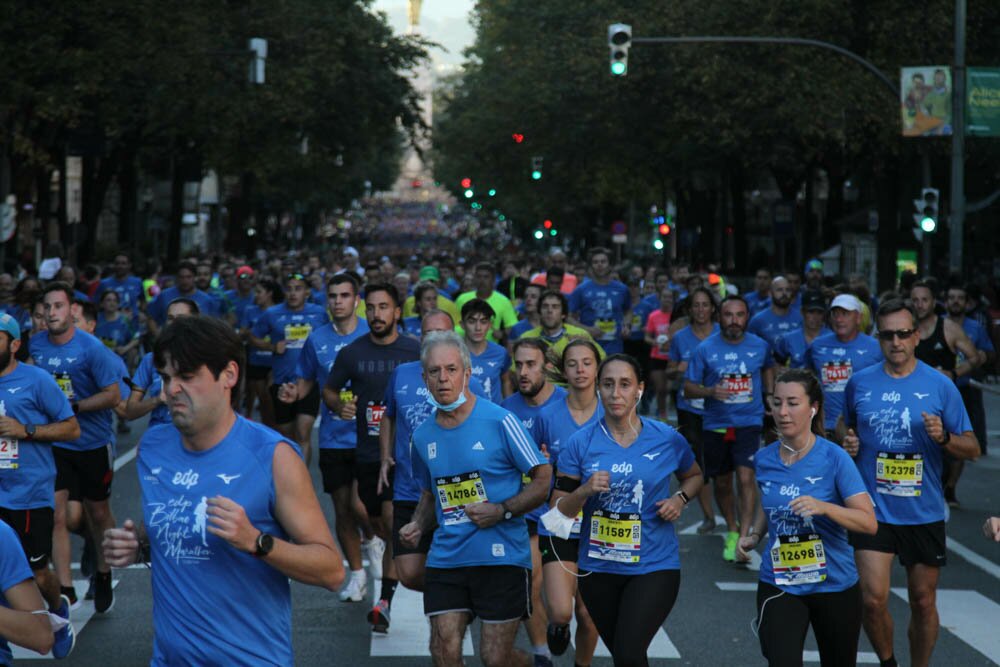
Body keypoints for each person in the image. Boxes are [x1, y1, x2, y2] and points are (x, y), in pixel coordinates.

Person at [102, 315, 344, 665]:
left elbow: (332, 571)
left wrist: (256, 542)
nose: (171, 390)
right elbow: (178, 527)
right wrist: (138, 546)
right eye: (166, 378)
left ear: (228, 375)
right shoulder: (152, 447)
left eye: (187, 377)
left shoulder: (273, 456)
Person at [838, 299, 979, 667]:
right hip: (873, 510)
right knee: (872, 599)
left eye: (903, 333)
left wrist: (945, 438)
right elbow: (844, 426)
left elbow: (973, 447)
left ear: (916, 336)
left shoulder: (940, 385)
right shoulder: (859, 382)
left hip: (923, 510)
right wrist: (848, 440)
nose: (895, 342)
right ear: (878, 338)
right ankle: (888, 662)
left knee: (922, 599)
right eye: (887, 335)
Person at [401, 331, 552, 667]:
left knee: (495, 659)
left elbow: (543, 478)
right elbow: (430, 493)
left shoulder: (500, 421)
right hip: (447, 556)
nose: (443, 378)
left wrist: (502, 510)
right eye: (435, 371)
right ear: (424, 377)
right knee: (443, 649)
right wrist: (417, 523)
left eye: (451, 369)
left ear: (467, 373)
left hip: (501, 557)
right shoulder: (423, 436)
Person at [545, 354, 703, 667]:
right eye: (608, 384)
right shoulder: (580, 443)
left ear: (639, 390)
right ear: (598, 390)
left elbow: (695, 475)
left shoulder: (667, 438)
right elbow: (556, 513)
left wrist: (679, 500)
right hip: (598, 569)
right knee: (624, 655)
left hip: (654, 566)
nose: (616, 393)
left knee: (629, 652)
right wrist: (584, 491)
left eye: (625, 384)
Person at [736, 368, 876, 667]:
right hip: (781, 581)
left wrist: (825, 507)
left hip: (834, 584)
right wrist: (755, 534)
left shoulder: (834, 458)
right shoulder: (764, 458)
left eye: (793, 403)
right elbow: (769, 501)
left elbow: (868, 522)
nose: (783, 412)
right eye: (777, 403)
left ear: (813, 408)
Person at [324, 284, 420, 633]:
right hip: (366, 452)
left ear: (397, 312)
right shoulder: (352, 353)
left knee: (394, 520)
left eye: (384, 307)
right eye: (372, 308)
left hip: (405, 455)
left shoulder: (415, 350)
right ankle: (391, 557)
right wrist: (338, 404)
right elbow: (330, 389)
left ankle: (385, 601)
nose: (377, 314)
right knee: (373, 519)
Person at [276, 274, 372, 604]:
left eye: (344, 295)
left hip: (369, 437)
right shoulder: (317, 339)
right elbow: (305, 384)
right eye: (332, 296)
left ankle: (373, 537)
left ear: (356, 299)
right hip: (333, 437)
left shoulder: (370, 333)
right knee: (342, 510)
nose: (337, 301)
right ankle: (358, 575)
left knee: (362, 505)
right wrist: (291, 392)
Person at [380, 310, 490, 595]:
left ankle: (450, 604)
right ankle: (452, 593)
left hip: (454, 491)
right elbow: (388, 415)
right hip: (409, 488)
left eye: (441, 333)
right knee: (409, 573)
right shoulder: (402, 374)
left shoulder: (469, 382)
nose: (434, 339)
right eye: (428, 333)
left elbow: (487, 430)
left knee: (452, 563)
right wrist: (384, 456)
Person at [30, 283, 121, 613]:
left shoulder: (91, 348)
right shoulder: (35, 346)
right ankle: (66, 587)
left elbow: (113, 395)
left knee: (98, 513)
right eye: (47, 307)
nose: (52, 313)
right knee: (57, 515)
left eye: (58, 306)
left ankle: (103, 572)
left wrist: (76, 407)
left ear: (72, 311)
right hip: (56, 443)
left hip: (92, 442)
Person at [0, 312, 79, 657]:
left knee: (37, 572)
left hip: (27, 495)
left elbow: (71, 428)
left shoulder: (37, 381)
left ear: (14, 345)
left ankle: (57, 609)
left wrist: (25, 430)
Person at [684, 295, 775, 561]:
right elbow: (688, 388)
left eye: (740, 315)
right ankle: (733, 529)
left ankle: (744, 536)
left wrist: (769, 392)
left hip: (749, 422)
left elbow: (769, 365)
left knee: (746, 479)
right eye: (728, 315)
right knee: (722, 484)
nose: (734, 321)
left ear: (747, 317)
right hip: (717, 424)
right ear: (719, 317)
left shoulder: (760, 346)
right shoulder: (705, 349)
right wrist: (710, 391)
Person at [532, 339, 603, 667]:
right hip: (560, 524)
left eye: (587, 363)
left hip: (602, 527)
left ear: (597, 368)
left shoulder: (612, 410)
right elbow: (531, 470)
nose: (580, 370)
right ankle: (558, 626)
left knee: (588, 615)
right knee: (562, 611)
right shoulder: (546, 415)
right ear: (563, 370)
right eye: (572, 364)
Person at [501, 338, 566, 667]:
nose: (523, 372)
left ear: (548, 368)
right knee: (529, 580)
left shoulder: (568, 404)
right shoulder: (506, 410)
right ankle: (541, 653)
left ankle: (561, 620)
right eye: (519, 364)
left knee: (570, 600)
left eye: (531, 365)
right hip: (527, 511)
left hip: (567, 512)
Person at [249, 272, 330, 464]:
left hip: (309, 382)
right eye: (289, 289)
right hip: (282, 382)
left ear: (307, 292)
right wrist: (271, 347)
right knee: (287, 435)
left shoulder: (319, 313)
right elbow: (253, 337)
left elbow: (330, 336)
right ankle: (290, 475)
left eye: (298, 288)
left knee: (303, 433)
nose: (293, 293)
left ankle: (303, 482)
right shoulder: (272, 314)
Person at [667, 286, 720, 533]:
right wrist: (679, 368)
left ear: (712, 309)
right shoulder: (680, 337)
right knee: (698, 463)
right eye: (696, 305)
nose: (700, 310)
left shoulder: (723, 334)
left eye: (705, 305)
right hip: (688, 408)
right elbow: (668, 371)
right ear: (689, 310)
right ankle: (709, 516)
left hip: (719, 407)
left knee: (720, 464)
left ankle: (727, 510)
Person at [942, 284, 993, 505]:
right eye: (951, 297)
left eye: (959, 298)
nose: (955, 301)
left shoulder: (975, 327)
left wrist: (981, 356)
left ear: (967, 303)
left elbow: (989, 353)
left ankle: (951, 487)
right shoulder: (938, 325)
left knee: (963, 437)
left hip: (965, 388)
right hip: (941, 389)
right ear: (945, 301)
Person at [806, 294, 882, 437]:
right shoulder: (817, 345)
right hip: (824, 425)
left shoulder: (876, 348)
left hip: (861, 425)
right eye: (835, 314)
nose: (839, 319)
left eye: (845, 314)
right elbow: (807, 376)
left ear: (858, 318)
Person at [125, 298, 200, 428]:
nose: (174, 323)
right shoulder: (150, 360)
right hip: (160, 437)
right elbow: (130, 412)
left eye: (181, 317)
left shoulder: (207, 357)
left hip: (196, 436)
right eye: (170, 318)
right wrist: (158, 400)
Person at [521, 291, 602, 383]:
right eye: (545, 306)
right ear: (539, 312)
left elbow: (601, 364)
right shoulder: (527, 338)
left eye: (555, 307)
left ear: (563, 314)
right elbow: (515, 373)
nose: (549, 311)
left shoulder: (580, 335)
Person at [569, 248, 631, 355]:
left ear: (610, 265)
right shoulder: (581, 290)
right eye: (595, 262)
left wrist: (626, 325)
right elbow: (567, 317)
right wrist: (587, 329)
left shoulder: (622, 289)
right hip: (589, 348)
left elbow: (628, 311)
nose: (599, 265)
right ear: (591, 267)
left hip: (615, 348)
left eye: (603, 261)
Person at [238, 278, 281, 427]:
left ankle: (276, 430)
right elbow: (243, 333)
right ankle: (267, 431)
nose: (255, 295)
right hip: (256, 361)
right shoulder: (250, 310)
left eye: (259, 292)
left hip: (275, 362)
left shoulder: (280, 311)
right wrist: (250, 335)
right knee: (263, 401)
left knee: (273, 400)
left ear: (269, 294)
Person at [461, 299, 512, 403]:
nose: (478, 328)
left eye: (483, 321)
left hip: (493, 416)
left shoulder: (501, 353)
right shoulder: (452, 353)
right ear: (462, 324)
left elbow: (506, 382)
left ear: (490, 324)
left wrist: (508, 411)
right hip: (462, 416)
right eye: (472, 321)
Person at [455, 262, 519, 344]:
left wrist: (502, 334)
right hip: (464, 347)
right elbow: (455, 324)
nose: (482, 280)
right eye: (479, 277)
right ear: (474, 279)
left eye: (486, 277)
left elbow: (512, 326)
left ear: (493, 280)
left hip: (491, 350)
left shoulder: (503, 301)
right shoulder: (462, 299)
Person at [146, 261, 216, 335]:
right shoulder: (164, 296)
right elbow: (151, 318)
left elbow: (212, 326)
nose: (185, 281)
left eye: (188, 277)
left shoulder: (206, 300)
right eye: (181, 277)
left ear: (195, 277)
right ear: (176, 278)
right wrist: (158, 337)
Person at [772, 290, 831, 368]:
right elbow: (776, 363)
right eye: (811, 312)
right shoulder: (788, 339)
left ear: (824, 313)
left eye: (819, 312)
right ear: (802, 312)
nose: (815, 317)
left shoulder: (832, 338)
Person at [643, 287, 675, 420]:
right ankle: (662, 414)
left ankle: (669, 408)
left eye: (669, 297)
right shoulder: (653, 316)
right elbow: (646, 337)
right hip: (657, 356)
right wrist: (655, 342)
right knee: (660, 388)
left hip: (673, 357)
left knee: (670, 389)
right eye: (664, 297)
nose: (667, 300)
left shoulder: (677, 317)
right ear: (659, 298)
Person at [748, 276, 803, 350]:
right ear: (770, 293)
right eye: (779, 290)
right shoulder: (757, 321)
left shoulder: (801, 318)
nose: (784, 293)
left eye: (788, 290)